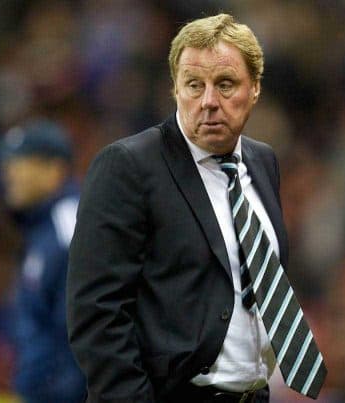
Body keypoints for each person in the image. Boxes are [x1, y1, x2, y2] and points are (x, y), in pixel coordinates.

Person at [67, 14, 326, 403]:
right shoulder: (128, 166)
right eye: (193, 85)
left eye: (225, 84)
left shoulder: (262, 161)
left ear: (254, 88)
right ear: (174, 89)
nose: (208, 102)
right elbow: (96, 312)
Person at [0, 119, 86, 403]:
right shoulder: (44, 229)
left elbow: (82, 332)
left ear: (53, 170)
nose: (7, 172)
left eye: (19, 162)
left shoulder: (69, 228)